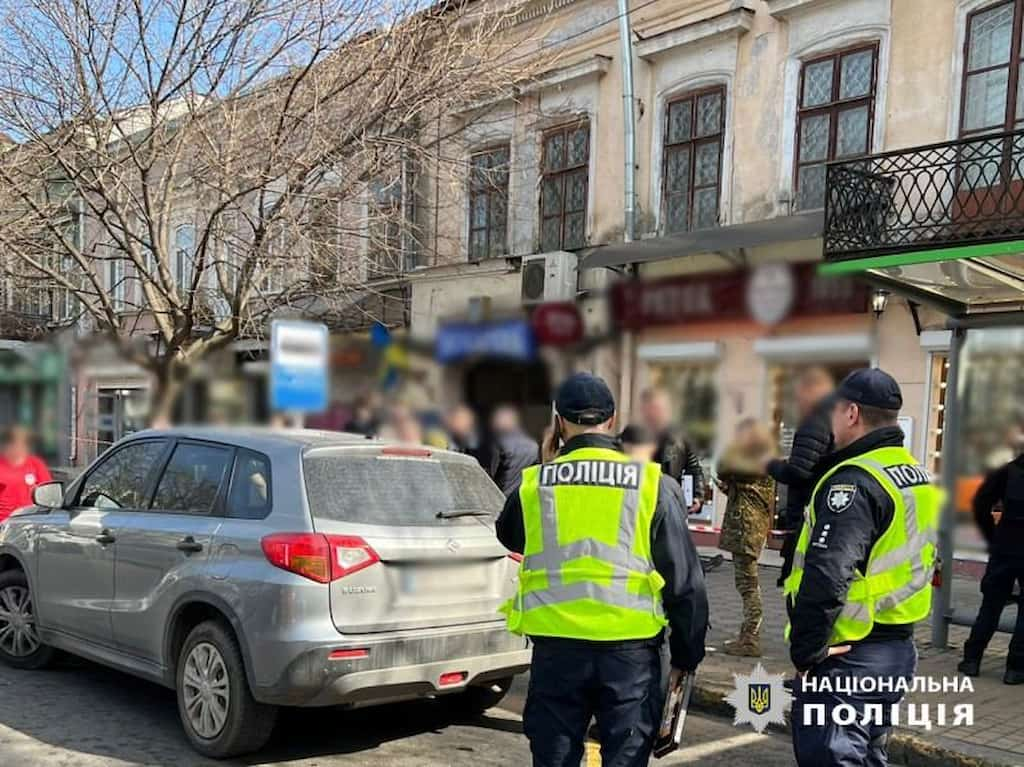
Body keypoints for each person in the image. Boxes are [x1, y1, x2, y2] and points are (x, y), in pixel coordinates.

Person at [496, 373, 709, 767]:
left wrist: (549, 467)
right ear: (612, 421)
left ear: (559, 424)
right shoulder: (652, 485)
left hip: (557, 649)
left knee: (554, 757)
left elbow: (510, 537)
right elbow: (685, 584)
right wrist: (686, 656)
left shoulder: (536, 484)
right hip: (630, 655)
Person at [785, 369, 941, 767]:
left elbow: (827, 574)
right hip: (896, 649)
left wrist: (806, 651)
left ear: (851, 412)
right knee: (869, 755)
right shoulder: (915, 473)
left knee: (833, 757)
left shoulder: (853, 481)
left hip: (849, 651)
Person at [957, 450, 1024, 685]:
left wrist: (991, 535)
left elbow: (980, 503)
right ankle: (1015, 668)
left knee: (991, 605)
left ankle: (972, 659)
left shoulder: (1006, 471)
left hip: (1004, 545)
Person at [766, 366, 835, 588]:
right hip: (821, 508)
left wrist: (770, 465)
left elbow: (799, 471)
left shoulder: (814, 422)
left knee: (797, 582)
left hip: (807, 513)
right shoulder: (832, 419)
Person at [716, 419, 778, 657]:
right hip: (751, 527)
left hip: (746, 528)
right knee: (747, 583)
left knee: (748, 585)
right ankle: (748, 634)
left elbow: (723, 466)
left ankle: (750, 637)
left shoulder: (753, 459)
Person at [640, 387, 705, 514]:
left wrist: (697, 496)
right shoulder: (632, 438)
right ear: (644, 410)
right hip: (640, 504)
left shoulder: (680, 439)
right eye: (653, 408)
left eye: (660, 409)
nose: (657, 413)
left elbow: (694, 469)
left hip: (670, 504)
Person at [0, 426, 52, 524]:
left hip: (29, 522)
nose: (19, 447)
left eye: (24, 443)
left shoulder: (36, 464)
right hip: (3, 523)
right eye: (15, 443)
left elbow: (48, 491)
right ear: (7, 445)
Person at [489, 405, 539, 496]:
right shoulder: (534, 445)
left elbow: (491, 475)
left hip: (502, 495)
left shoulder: (501, 444)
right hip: (522, 495)